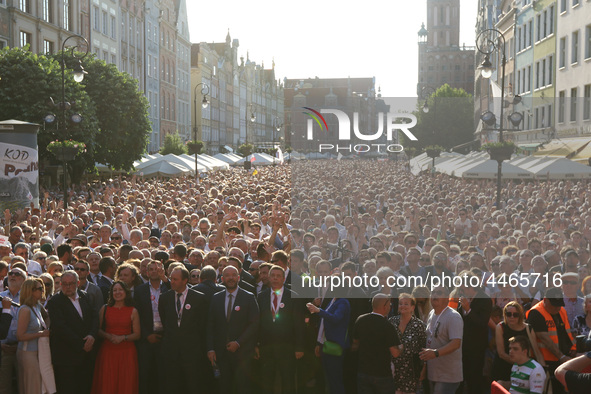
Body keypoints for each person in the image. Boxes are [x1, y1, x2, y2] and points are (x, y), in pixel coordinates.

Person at [207, 266, 260, 394]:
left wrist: (238, 342)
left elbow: (254, 324)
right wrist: (211, 349)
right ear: (222, 278)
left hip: (243, 353)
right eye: (227, 275)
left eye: (233, 275)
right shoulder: (216, 298)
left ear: (238, 277)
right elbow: (210, 325)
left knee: (243, 387)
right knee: (224, 387)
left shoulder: (248, 297)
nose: (230, 278)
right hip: (222, 353)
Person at [159, 266, 208, 394]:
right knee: (172, 386)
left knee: (193, 385)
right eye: (171, 279)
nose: (172, 282)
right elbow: (165, 321)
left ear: (185, 280)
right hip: (171, 352)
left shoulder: (199, 298)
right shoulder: (165, 298)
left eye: (175, 279)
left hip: (192, 352)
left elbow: (202, 325)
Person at [46, 270, 98, 394]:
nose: (67, 287)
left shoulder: (85, 296)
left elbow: (94, 317)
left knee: (85, 387)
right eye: (64, 284)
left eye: (71, 284)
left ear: (78, 283)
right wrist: (82, 344)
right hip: (66, 357)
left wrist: (92, 335)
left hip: (86, 356)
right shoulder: (55, 302)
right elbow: (61, 327)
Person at [256, 265, 305, 394]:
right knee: (267, 381)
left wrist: (299, 347)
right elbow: (257, 323)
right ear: (269, 277)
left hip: (287, 347)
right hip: (267, 347)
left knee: (288, 381)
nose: (275, 278)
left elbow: (299, 324)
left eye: (278, 276)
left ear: (284, 279)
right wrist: (256, 344)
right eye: (273, 276)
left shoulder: (293, 296)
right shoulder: (261, 296)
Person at [92, 281, 140, 394]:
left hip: (127, 352)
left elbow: (137, 334)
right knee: (108, 382)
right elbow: (97, 330)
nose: (117, 292)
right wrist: (107, 335)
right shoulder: (105, 308)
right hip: (108, 351)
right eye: (114, 290)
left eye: (120, 290)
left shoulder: (133, 311)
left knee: (126, 382)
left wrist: (123, 338)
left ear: (126, 292)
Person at [526, 287, 576, 394]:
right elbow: (545, 339)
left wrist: (572, 349)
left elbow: (566, 332)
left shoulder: (561, 310)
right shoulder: (536, 313)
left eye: (559, 304)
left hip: (564, 358)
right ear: (545, 300)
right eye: (554, 305)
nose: (557, 307)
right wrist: (562, 356)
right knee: (551, 390)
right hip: (547, 362)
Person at [352, 294, 402, 394]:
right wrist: (402, 347)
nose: (390, 307)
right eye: (390, 304)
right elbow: (395, 353)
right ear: (385, 306)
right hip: (382, 375)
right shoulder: (388, 326)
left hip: (363, 373)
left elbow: (355, 344)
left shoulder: (360, 320)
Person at [419, 286, 464, 394]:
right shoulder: (431, 314)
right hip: (433, 373)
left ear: (447, 298)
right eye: (433, 292)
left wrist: (436, 353)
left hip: (448, 375)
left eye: (439, 293)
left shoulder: (453, 317)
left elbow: (456, 343)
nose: (434, 295)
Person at [306, 285, 351, 394]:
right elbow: (323, 324)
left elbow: (335, 318)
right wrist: (319, 342)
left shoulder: (343, 302)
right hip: (326, 344)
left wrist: (318, 310)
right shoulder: (333, 300)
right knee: (330, 379)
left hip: (335, 345)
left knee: (335, 379)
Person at [133, 260, 169, 394]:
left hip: (165, 338)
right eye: (152, 269)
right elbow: (138, 316)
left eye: (157, 269)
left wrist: (165, 279)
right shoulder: (139, 290)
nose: (154, 271)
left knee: (163, 374)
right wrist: (147, 334)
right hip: (146, 338)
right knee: (145, 374)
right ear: (147, 272)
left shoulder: (168, 287)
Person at [457, 271, 493, 394]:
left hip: (477, 346)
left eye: (462, 285)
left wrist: (469, 310)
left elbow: (482, 322)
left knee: (474, 377)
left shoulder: (485, 300)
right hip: (462, 345)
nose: (461, 288)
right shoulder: (462, 298)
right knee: (460, 377)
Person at [493, 302, 543, 386]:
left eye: (515, 315)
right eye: (509, 314)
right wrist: (520, 364)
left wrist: (541, 369)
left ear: (520, 315)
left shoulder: (528, 328)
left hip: (523, 371)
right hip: (503, 367)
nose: (512, 317)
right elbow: (501, 353)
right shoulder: (501, 327)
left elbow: (536, 351)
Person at [15, 278, 50, 394]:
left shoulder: (38, 305)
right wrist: (40, 334)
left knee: (38, 386)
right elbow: (20, 336)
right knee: (32, 386)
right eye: (39, 289)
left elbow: (47, 317)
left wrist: (46, 328)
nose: (42, 291)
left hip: (38, 352)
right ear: (30, 291)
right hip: (27, 353)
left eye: (42, 288)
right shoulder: (25, 310)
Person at [389, 293, 427, 394]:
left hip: (411, 371)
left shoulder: (419, 325)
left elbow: (424, 348)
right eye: (400, 303)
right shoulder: (391, 322)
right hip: (393, 370)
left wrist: (424, 368)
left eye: (406, 304)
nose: (402, 306)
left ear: (412, 307)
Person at [0, 267, 26, 394]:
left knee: (23, 385)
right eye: (10, 273)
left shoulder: (28, 298)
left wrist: (19, 344)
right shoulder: (0, 297)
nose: (13, 275)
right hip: (3, 349)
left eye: (17, 274)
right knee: (3, 386)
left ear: (24, 279)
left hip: (23, 348)